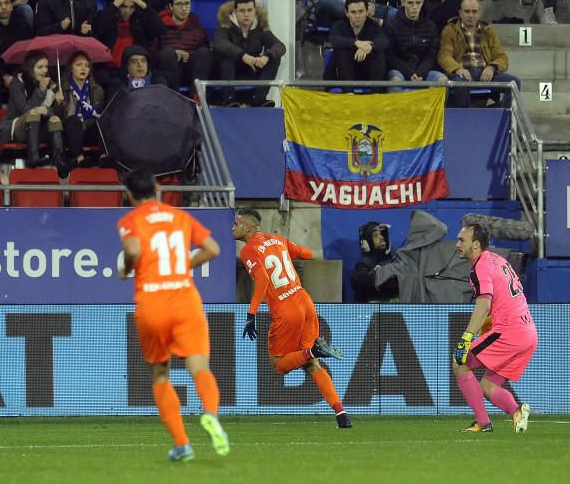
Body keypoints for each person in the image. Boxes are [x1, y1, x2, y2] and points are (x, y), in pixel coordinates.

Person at [118, 169, 230, 462]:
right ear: (157, 188)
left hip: (152, 303)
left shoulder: (130, 220)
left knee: (160, 374)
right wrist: (183, 266)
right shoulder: (180, 216)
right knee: (200, 367)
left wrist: (127, 268)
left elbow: (132, 249)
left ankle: (182, 444)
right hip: (185, 300)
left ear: (128, 193)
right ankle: (211, 414)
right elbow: (212, 249)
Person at [232, 208, 352, 429]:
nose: (232, 228)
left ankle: (314, 350)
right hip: (305, 302)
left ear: (248, 228)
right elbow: (306, 254)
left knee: (279, 365)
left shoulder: (249, 251)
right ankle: (341, 414)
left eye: (236, 224)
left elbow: (262, 280)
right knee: (311, 365)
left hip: (286, 310)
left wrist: (251, 313)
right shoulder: (278, 240)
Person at [452, 219, 536, 434]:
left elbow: (484, 305)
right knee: (488, 386)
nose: (457, 244)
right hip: (528, 333)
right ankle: (517, 411)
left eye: (462, 240)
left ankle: (483, 423)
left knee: (460, 362)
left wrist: (466, 338)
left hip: (509, 331)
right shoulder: (497, 259)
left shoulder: (480, 267)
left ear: (476, 244)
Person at [438, 0, 520, 107]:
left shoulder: (489, 31)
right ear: (460, 13)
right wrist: (457, 69)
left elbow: (501, 57)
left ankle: (499, 113)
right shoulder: (450, 31)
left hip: (484, 72)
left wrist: (492, 67)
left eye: (474, 12)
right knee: (459, 86)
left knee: (515, 83)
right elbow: (444, 56)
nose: (470, 15)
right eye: (467, 11)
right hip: (462, 73)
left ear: (479, 13)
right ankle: (466, 116)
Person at [0, 51, 65, 171]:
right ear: (30, 68)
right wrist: (40, 91)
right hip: (17, 127)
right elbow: (25, 110)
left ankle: (59, 161)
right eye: (40, 67)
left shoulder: (51, 84)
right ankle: (33, 157)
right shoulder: (17, 83)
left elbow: (58, 113)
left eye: (46, 67)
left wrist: (59, 104)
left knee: (55, 119)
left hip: (41, 127)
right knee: (33, 113)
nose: (44, 70)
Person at [213, 0, 286, 107]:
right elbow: (219, 43)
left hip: (251, 70)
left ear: (255, 11)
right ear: (235, 12)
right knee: (227, 57)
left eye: (249, 10)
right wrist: (243, 56)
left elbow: (280, 46)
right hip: (228, 72)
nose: (246, 14)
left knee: (274, 58)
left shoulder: (260, 28)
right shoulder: (225, 25)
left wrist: (266, 57)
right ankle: (229, 99)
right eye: (242, 11)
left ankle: (259, 98)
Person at [52, 51, 104, 171]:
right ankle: (80, 159)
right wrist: (58, 103)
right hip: (68, 131)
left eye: (86, 65)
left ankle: (103, 157)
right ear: (71, 68)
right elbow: (56, 117)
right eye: (79, 65)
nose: (83, 68)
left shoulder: (97, 90)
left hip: (87, 129)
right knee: (74, 120)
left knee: (100, 122)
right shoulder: (61, 89)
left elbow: (99, 113)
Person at [384, 0, 446, 84]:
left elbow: (432, 55)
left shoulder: (431, 27)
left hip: (424, 71)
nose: (414, 7)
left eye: (418, 3)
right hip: (399, 71)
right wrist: (409, 73)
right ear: (403, 2)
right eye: (410, 3)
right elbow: (390, 56)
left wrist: (420, 73)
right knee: (396, 81)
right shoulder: (392, 25)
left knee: (443, 80)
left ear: (423, 2)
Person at [324, 0, 389, 85]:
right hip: (343, 74)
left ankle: (376, 91)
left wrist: (369, 46)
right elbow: (334, 39)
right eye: (353, 12)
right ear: (347, 13)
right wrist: (356, 43)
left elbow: (384, 40)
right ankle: (348, 91)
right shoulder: (339, 25)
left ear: (366, 12)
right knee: (343, 50)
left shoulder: (373, 26)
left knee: (378, 53)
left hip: (366, 73)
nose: (357, 16)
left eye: (361, 11)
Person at [156, 0, 213, 91]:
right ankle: (172, 96)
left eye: (187, 3)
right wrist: (174, 53)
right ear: (171, 7)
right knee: (168, 53)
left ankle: (197, 96)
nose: (184, 8)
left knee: (204, 52)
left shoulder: (197, 27)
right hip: (167, 72)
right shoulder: (159, 26)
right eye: (179, 4)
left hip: (191, 72)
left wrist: (189, 55)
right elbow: (153, 52)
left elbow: (206, 51)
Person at [94, 0, 165, 70]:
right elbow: (97, 29)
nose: (127, 11)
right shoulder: (109, 18)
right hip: (110, 67)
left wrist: (144, 6)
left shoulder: (139, 19)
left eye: (132, 7)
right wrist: (114, 6)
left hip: (135, 66)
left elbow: (159, 30)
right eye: (123, 7)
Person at [351, 222, 400, 303]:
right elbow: (361, 284)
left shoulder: (397, 262)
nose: (381, 237)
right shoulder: (362, 268)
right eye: (376, 235)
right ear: (366, 243)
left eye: (382, 234)